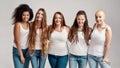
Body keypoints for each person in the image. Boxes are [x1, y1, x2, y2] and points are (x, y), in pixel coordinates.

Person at [12, 4, 33, 68]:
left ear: (30, 15)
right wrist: (21, 55)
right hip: (18, 51)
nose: (26, 17)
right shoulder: (18, 25)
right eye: (23, 15)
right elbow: (17, 41)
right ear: (20, 15)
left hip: (27, 51)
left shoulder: (29, 24)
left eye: (27, 15)